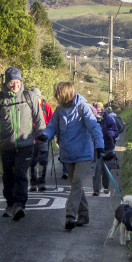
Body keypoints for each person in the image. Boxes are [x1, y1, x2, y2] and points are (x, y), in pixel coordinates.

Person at [41, 81, 104, 231]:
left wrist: (100, 145)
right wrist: (45, 135)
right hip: (67, 155)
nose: (54, 96)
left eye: (56, 93)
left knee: (76, 183)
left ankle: (70, 216)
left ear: (63, 94)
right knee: (77, 185)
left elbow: (94, 127)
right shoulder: (58, 110)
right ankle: (84, 216)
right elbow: (51, 127)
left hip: (84, 154)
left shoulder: (83, 108)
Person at [0, 67, 45, 221]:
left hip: (26, 144)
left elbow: (39, 118)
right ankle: (10, 203)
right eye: (11, 82)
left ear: (21, 81)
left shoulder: (29, 96)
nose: (15, 85)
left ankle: (19, 204)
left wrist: (42, 139)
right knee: (8, 176)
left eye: (17, 82)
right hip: (6, 145)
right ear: (6, 83)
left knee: (20, 173)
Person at [29, 88, 53, 192]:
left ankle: (41, 182)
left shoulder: (46, 106)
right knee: (32, 161)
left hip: (43, 136)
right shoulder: (28, 105)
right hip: (30, 137)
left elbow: (51, 121)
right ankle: (33, 183)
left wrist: (49, 134)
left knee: (43, 160)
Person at [92, 105, 119, 196]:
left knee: (106, 171)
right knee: (97, 169)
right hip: (97, 149)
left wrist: (113, 133)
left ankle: (106, 186)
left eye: (100, 111)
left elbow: (116, 131)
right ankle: (96, 189)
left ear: (103, 111)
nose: (99, 113)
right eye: (97, 111)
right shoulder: (93, 120)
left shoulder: (109, 120)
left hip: (108, 149)